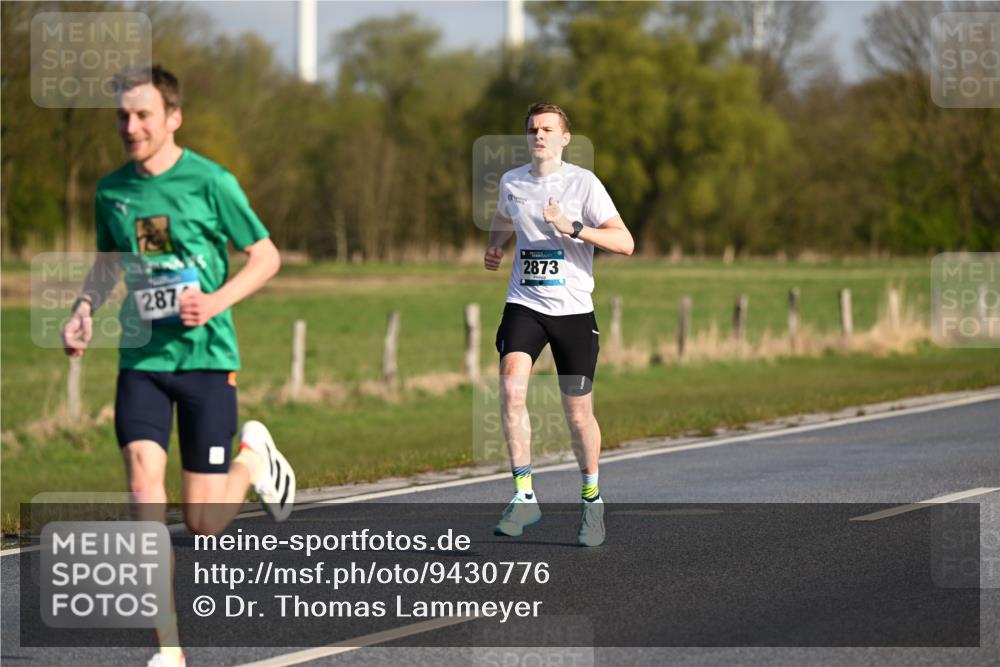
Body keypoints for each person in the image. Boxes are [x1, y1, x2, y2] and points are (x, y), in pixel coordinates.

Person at [61, 64, 295, 667]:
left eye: (142, 115)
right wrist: (85, 307)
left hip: (207, 361)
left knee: (204, 523)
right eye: (122, 116)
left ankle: (252, 459)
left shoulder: (211, 182)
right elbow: (110, 261)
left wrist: (214, 301)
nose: (130, 126)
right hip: (141, 359)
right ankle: (169, 649)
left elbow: (266, 256)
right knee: (143, 493)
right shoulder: (113, 190)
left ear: (172, 118)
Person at [485, 102, 634, 547]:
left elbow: (625, 242)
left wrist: (573, 228)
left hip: (572, 311)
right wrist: (495, 246)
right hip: (524, 303)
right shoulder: (512, 182)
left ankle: (591, 500)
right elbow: (503, 217)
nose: (539, 135)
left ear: (565, 138)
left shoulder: (583, 183)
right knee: (511, 387)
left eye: (548, 129)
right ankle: (524, 494)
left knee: (577, 413)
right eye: (533, 129)